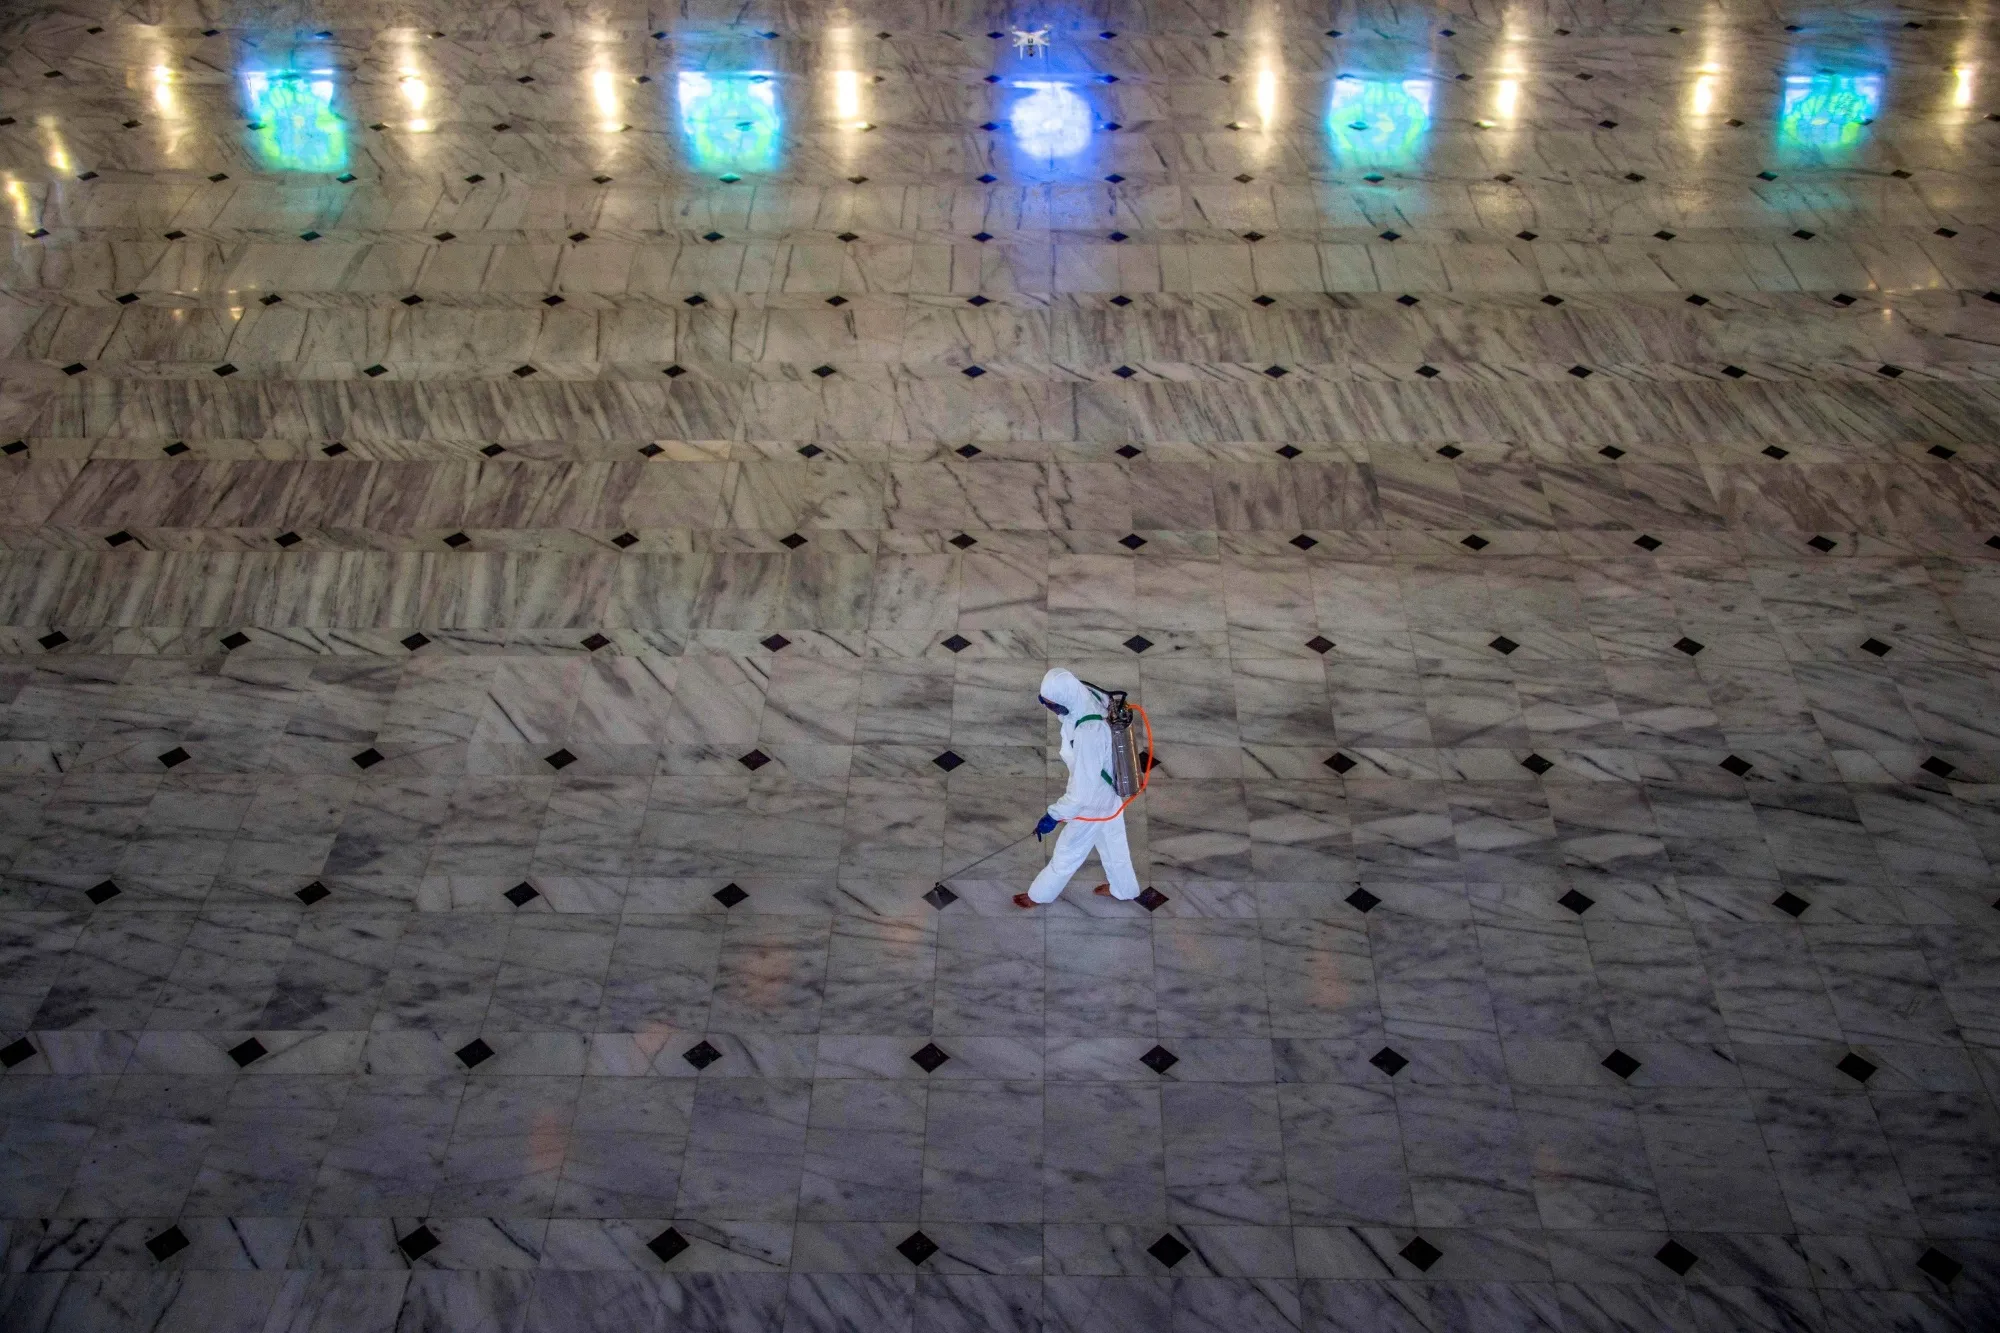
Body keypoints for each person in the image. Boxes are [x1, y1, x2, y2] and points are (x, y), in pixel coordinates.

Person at [1013, 667, 1143, 908]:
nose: (1050, 709)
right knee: (1114, 843)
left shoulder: (1088, 732)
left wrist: (1054, 815)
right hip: (1111, 789)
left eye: (1051, 705)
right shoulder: (1088, 695)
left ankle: (1039, 895)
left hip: (1095, 801)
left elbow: (1082, 792)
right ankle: (1125, 890)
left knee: (1067, 852)